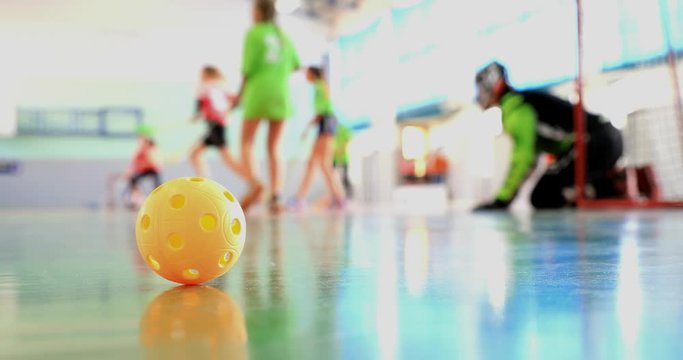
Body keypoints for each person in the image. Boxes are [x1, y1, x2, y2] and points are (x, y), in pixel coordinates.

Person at [473, 62, 623, 210]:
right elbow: (531, 159)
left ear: (496, 84)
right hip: (607, 137)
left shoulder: (517, 108)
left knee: (543, 194)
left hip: (596, 141)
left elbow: (523, 159)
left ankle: (597, 193)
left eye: (481, 87)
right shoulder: (524, 101)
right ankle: (602, 188)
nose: (480, 94)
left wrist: (502, 199)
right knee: (548, 189)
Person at [233, 0, 300, 213]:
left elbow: (247, 68)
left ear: (259, 12)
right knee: (274, 147)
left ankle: (255, 182)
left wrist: (239, 96)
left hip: (259, 91)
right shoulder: (284, 36)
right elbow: (296, 65)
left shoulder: (254, 33)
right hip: (281, 93)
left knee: (246, 142)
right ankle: (277, 196)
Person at [288, 66, 345, 209]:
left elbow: (323, 111)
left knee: (317, 162)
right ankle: (337, 198)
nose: (306, 76)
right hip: (327, 125)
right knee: (320, 163)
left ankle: (301, 198)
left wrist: (307, 128)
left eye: (307, 73)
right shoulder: (322, 86)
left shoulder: (319, 87)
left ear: (313, 74)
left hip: (325, 125)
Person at [190, 66, 247, 182]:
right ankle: (204, 180)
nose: (201, 77)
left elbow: (201, 103)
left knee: (228, 158)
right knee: (195, 154)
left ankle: (251, 179)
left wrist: (197, 114)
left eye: (202, 75)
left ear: (207, 75)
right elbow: (236, 101)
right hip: (216, 125)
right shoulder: (221, 87)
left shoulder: (205, 87)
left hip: (214, 125)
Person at [126, 124, 162, 209]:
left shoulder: (152, 147)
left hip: (153, 169)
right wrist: (129, 170)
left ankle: (159, 199)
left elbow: (156, 161)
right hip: (143, 170)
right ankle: (136, 198)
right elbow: (133, 160)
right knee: (133, 179)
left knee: (158, 184)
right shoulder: (139, 148)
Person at [333, 123, 353, 198]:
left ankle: (349, 194)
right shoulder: (331, 131)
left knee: (345, 177)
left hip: (343, 157)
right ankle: (336, 194)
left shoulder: (343, 129)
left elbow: (349, 138)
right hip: (334, 157)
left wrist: (342, 148)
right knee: (333, 177)